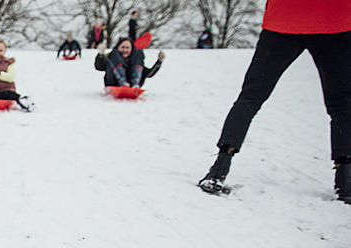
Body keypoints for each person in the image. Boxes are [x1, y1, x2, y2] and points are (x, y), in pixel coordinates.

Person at [197, 0, 350, 201]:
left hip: (283, 19)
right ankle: (346, 182)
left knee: (251, 96)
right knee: (342, 105)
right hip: (335, 20)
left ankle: (218, 170)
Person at [93, 37, 164, 88]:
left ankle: (135, 83)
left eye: (127, 48)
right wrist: (100, 54)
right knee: (114, 53)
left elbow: (148, 74)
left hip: (132, 84)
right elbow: (99, 66)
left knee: (139, 52)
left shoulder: (135, 60)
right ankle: (122, 82)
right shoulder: (112, 58)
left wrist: (159, 62)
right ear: (118, 47)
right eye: (122, 47)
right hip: (114, 83)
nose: (125, 50)